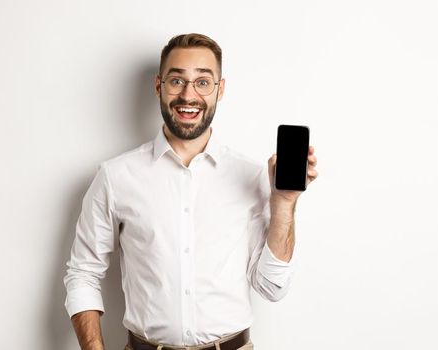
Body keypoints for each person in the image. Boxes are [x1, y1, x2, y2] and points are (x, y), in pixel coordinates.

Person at [63, 33, 319, 350]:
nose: (188, 95)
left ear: (219, 90)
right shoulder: (116, 177)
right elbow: (83, 274)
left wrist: (283, 204)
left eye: (202, 82)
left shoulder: (250, 176)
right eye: (176, 81)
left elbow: (272, 287)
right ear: (159, 86)